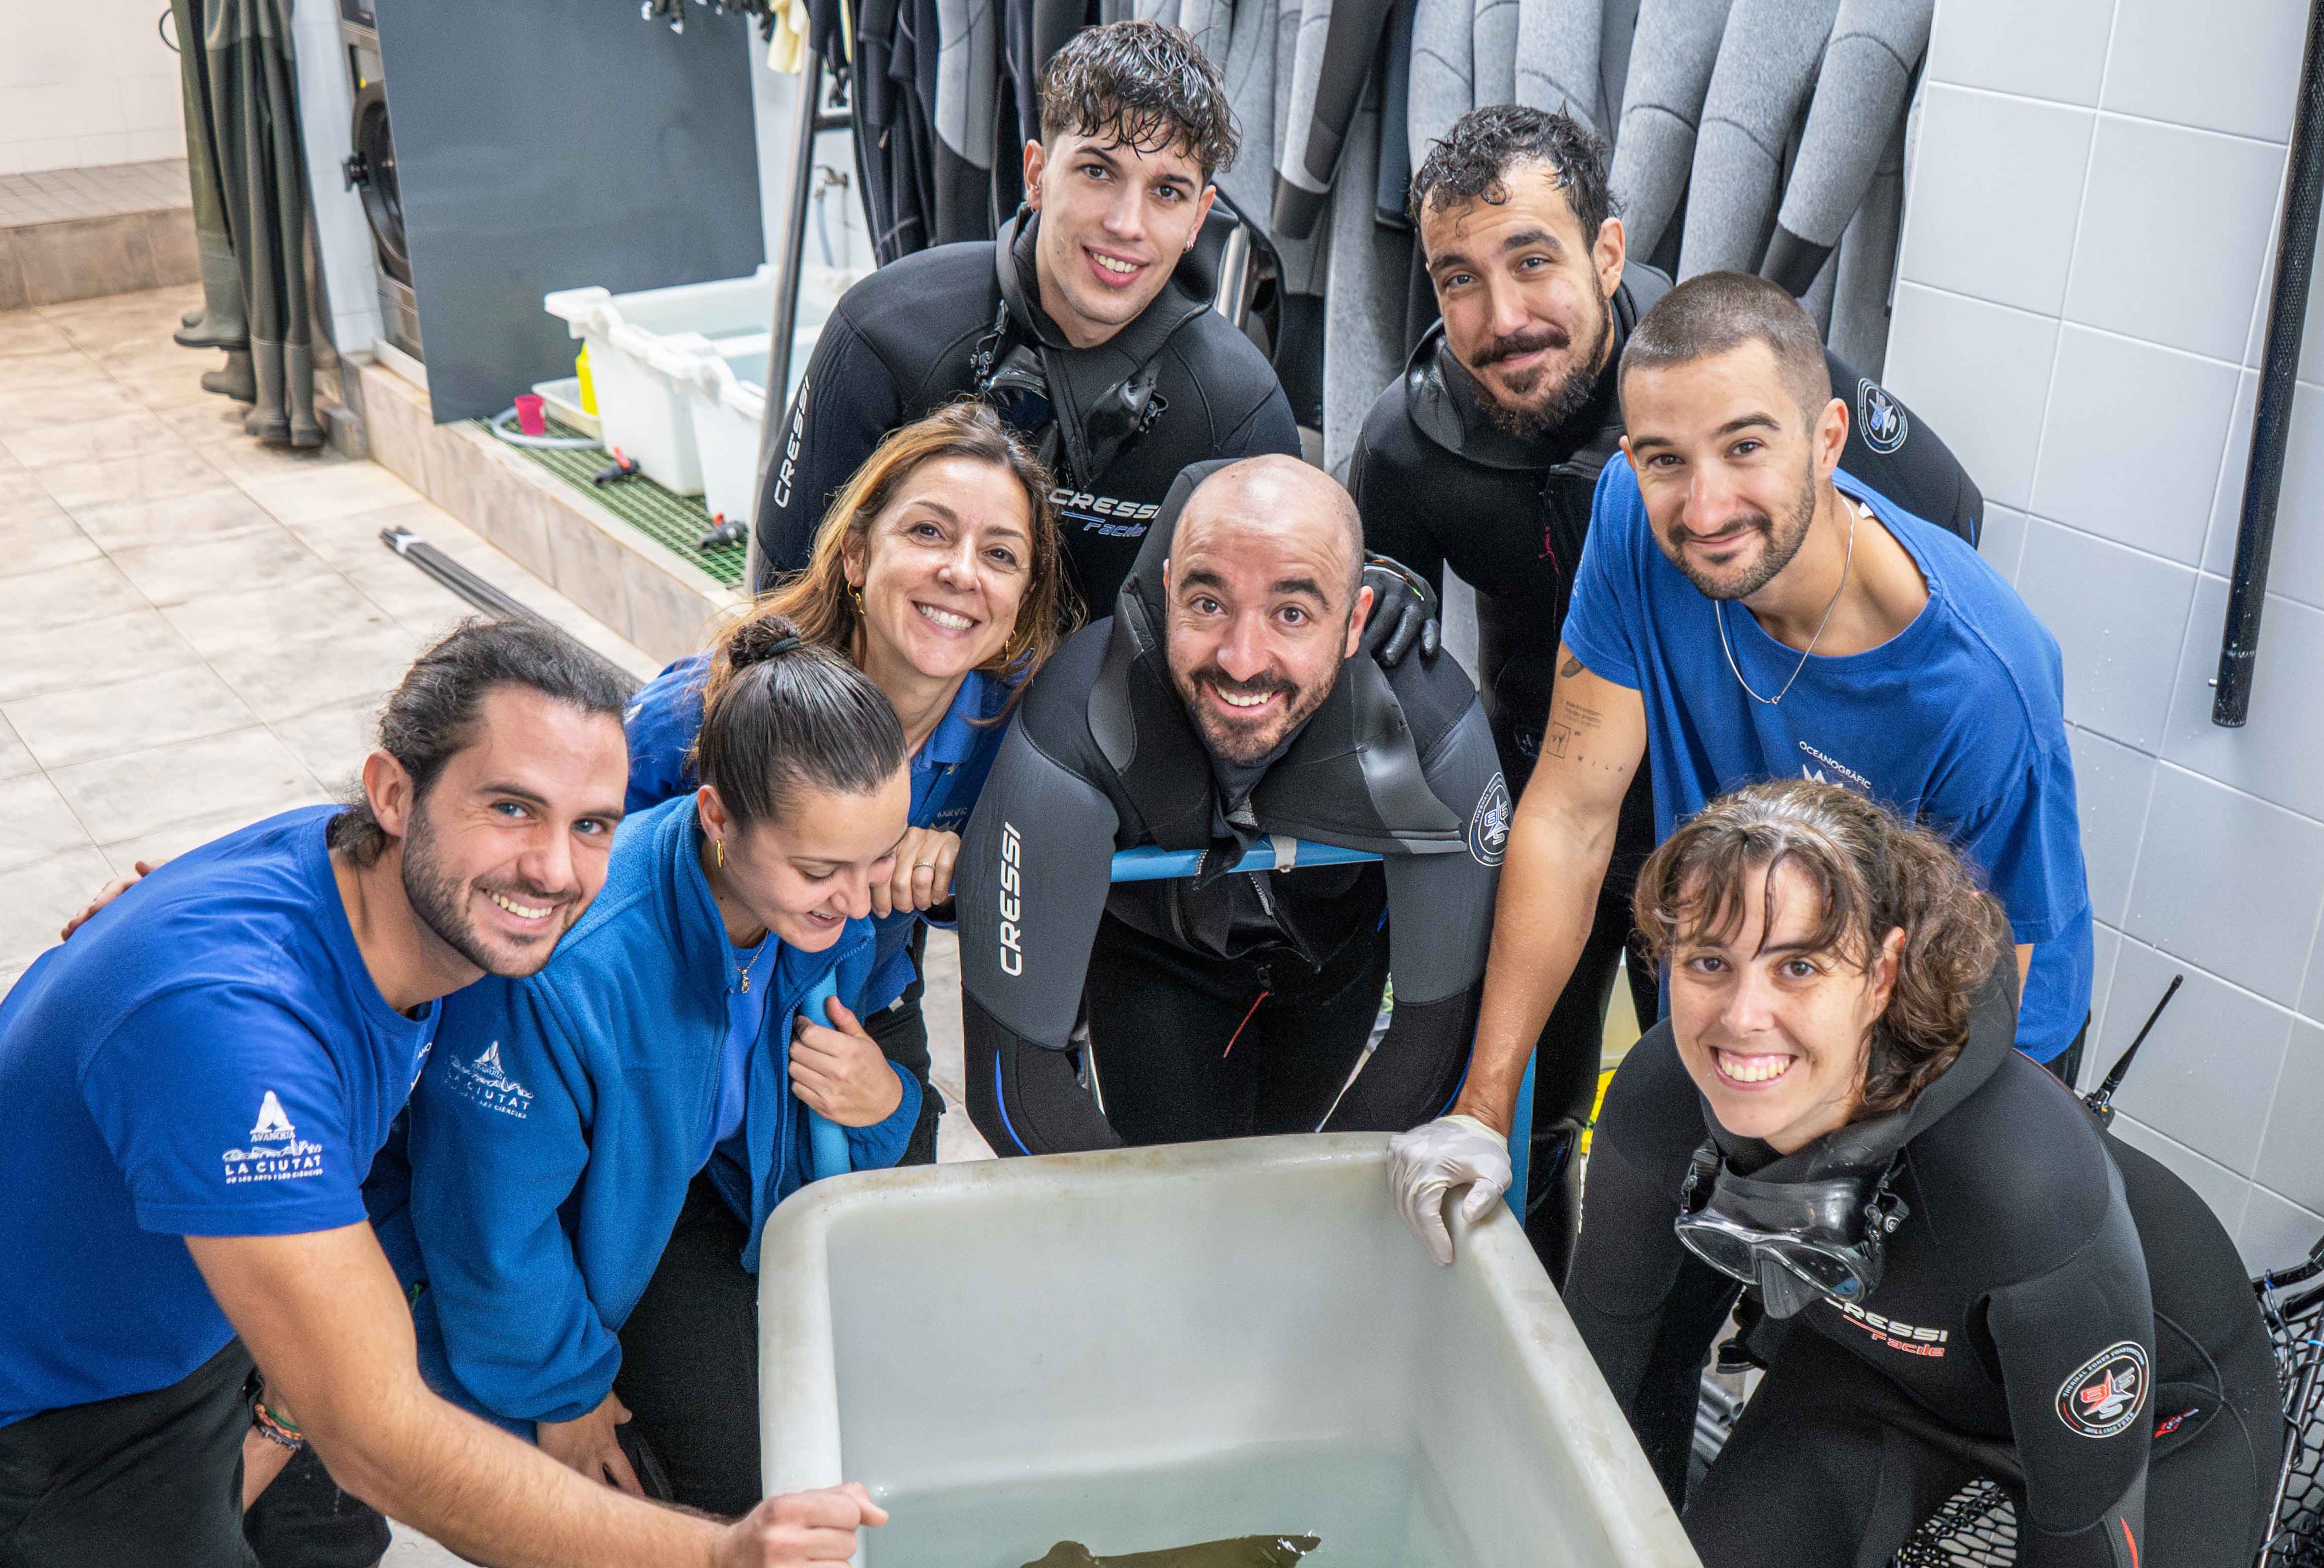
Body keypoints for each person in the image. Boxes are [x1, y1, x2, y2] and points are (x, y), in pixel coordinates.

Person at [0, 622, 886, 1568]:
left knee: (327, 1530)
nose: (556, 867)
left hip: (200, 1302)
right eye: (509, 808)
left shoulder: (403, 896)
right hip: (45, 1405)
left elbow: (694, 755)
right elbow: (382, 1434)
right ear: (393, 791)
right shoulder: (230, 1026)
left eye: (591, 823)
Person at [1396, 781, 2280, 1568]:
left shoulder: (2019, 1180)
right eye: (1709, 962)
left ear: (1885, 974)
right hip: (1875, 1379)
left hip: (2158, 1436)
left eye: (1800, 964)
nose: (1741, 1018)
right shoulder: (1665, 1100)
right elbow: (1613, 1391)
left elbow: (2087, 1531)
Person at [1348, 103, 1986, 1276]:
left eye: (1532, 260)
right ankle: (1519, 1315)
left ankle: (1738, 1306)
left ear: (1605, 250)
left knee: (1733, 1091)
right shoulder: (1408, 436)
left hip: (1730, 810)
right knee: (1522, 1092)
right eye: (1459, 279)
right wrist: (1378, 580)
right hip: (1557, 788)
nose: (1502, 317)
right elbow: (1382, 592)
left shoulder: (1725, 373)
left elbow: (1947, 519)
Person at [1402, 269, 2093, 1244]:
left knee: (1835, 1346)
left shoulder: (1978, 681)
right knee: (1642, 1284)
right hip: (1768, 982)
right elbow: (1570, 814)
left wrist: (1823, 1171)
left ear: (1828, 440)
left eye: (1745, 447)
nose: (1704, 506)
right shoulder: (1631, 522)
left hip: (1958, 1042)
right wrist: (1481, 1105)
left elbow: (1984, 980)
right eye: (1664, 459)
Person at [382, 621, 919, 1568]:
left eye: (877, 858)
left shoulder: (806, 913)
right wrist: (564, 1399)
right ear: (720, 819)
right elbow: (483, 1228)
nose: (857, 898)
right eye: (824, 868)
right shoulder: (578, 964)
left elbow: (825, 1111)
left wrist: (881, 1100)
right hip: (515, 1265)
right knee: (610, 1520)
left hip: (650, 1205)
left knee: (742, 1463)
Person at [955, 453, 1502, 1154]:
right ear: (1166, 592)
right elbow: (1012, 1089)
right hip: (1159, 958)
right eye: (1207, 604)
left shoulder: (1426, 719)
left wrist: (1314, 1210)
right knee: (1181, 1202)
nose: (1242, 659)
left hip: (1332, 959)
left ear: (1354, 619)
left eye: (1292, 613)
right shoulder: (1077, 722)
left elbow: (1441, 1040)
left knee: (1278, 1178)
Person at [626, 403, 1070, 1166]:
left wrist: (966, 859)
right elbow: (578, 858)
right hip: (690, 1008)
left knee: (894, 1231)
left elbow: (1050, 885)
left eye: (1000, 555)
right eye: (928, 532)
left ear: (1024, 597)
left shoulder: (1024, 731)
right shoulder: (718, 700)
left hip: (863, 1002)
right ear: (857, 555)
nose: (961, 572)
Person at [754, 20, 1301, 627]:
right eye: (1097, 171)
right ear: (1037, 175)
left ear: (1201, 215)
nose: (1127, 223)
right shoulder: (883, 332)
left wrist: (1372, 579)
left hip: (1099, 717)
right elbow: (783, 605)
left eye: (1167, 192)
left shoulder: (1238, 411)